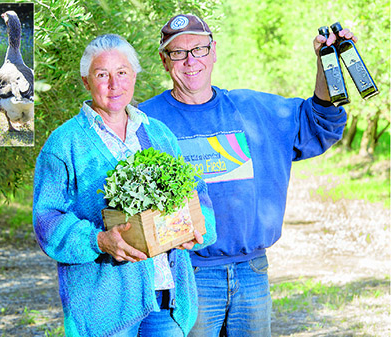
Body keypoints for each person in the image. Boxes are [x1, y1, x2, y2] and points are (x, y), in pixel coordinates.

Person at [139, 14, 350, 336]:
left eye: (198, 49)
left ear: (213, 51)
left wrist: (327, 64)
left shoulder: (254, 109)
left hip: (252, 270)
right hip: (185, 274)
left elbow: (320, 119)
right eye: (178, 53)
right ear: (164, 61)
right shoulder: (145, 122)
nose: (190, 60)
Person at [33, 34, 217, 336]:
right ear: (86, 81)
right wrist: (99, 241)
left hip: (166, 301)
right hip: (104, 311)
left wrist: (196, 230)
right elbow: (46, 221)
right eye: (102, 75)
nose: (114, 84)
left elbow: (198, 196)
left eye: (122, 73)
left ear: (134, 76)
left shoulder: (158, 134)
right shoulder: (64, 144)